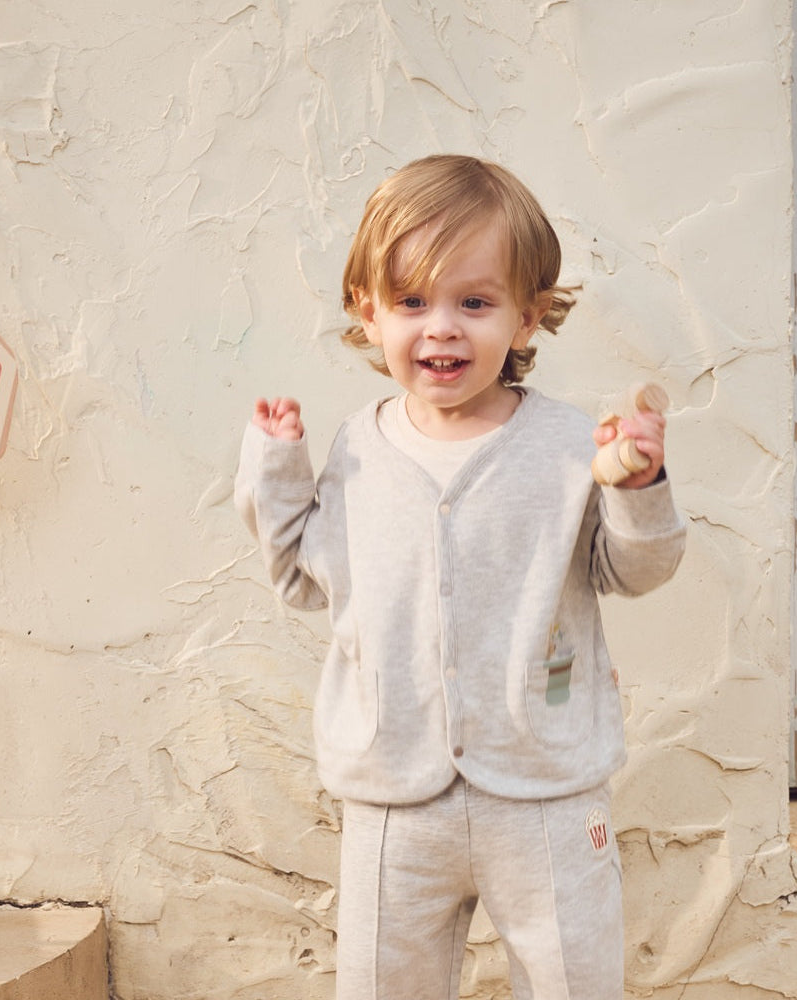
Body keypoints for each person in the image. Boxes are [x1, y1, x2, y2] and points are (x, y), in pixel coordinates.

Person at [234, 154, 686, 1000]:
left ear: (527, 319)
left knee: (576, 984)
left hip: (546, 792)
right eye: (411, 302)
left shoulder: (566, 447)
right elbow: (303, 581)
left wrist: (639, 491)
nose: (441, 327)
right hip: (394, 799)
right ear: (367, 314)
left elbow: (635, 568)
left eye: (474, 303)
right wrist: (277, 468)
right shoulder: (358, 452)